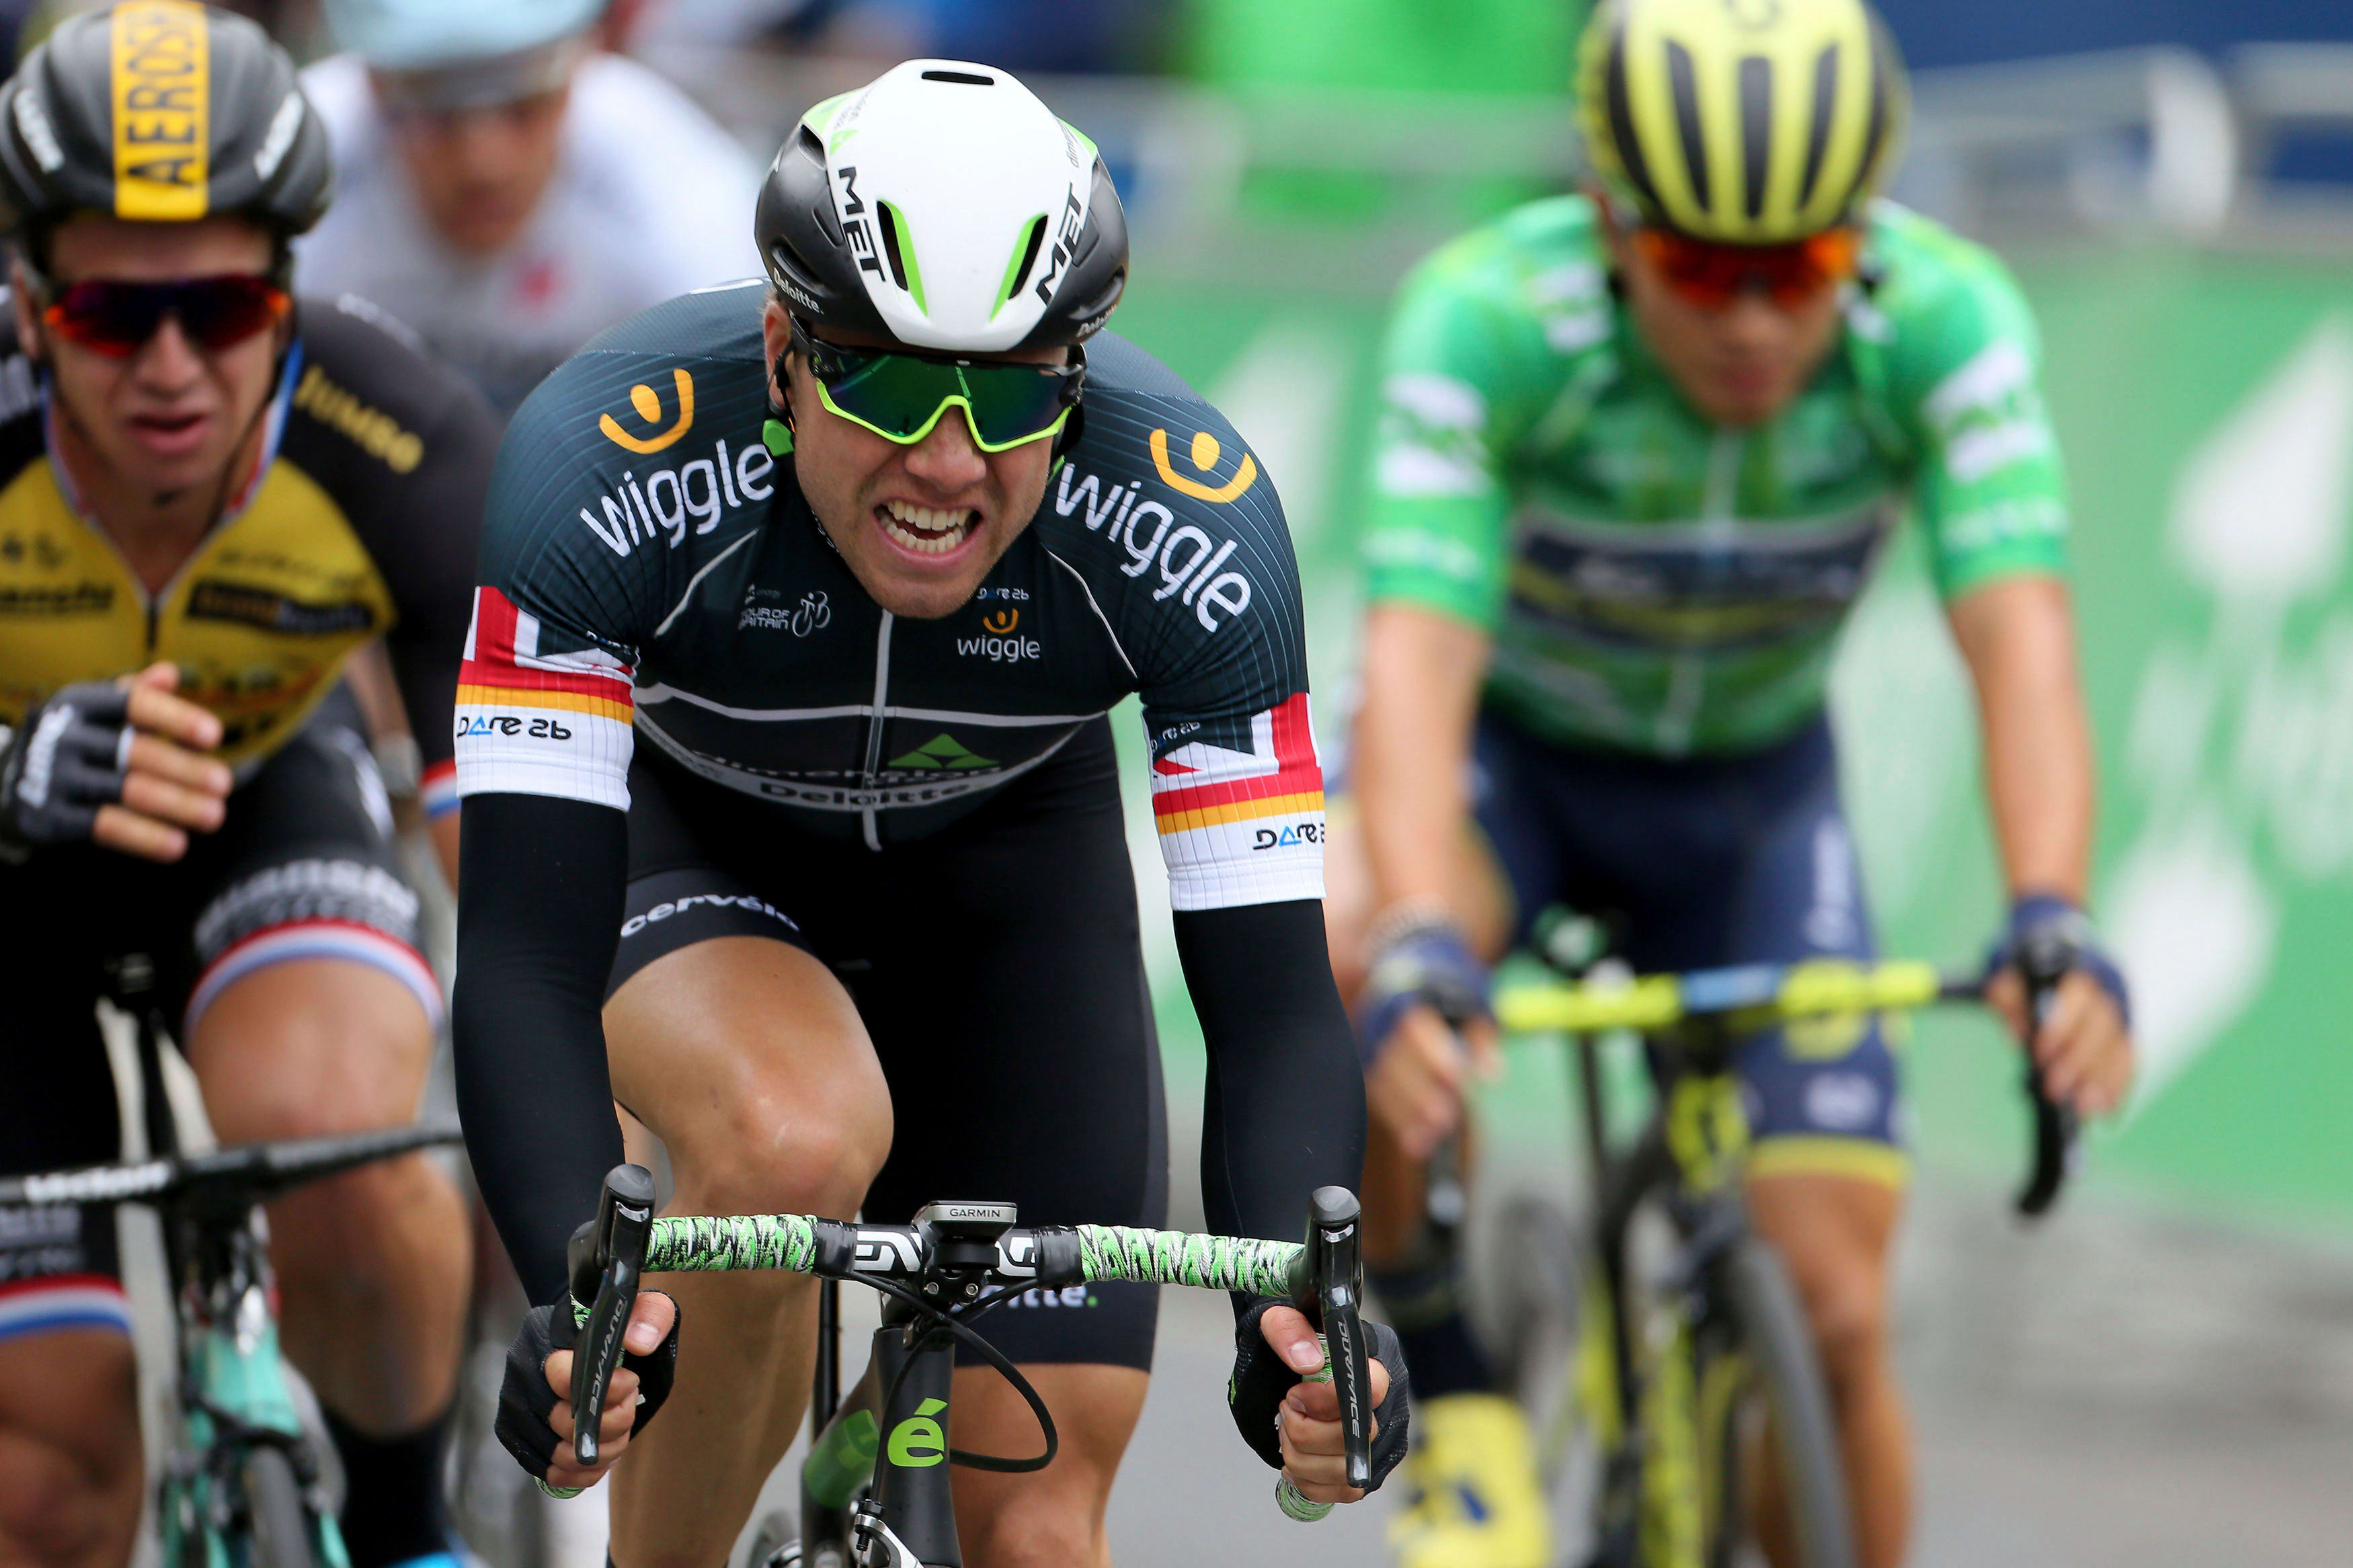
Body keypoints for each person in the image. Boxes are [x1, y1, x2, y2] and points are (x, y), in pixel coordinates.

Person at [451, 59, 1410, 1567]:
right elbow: (521, 957)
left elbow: (1276, 1004)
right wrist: (578, 1298)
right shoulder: (604, 462)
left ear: (1076, 376)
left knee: (1036, 1534)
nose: (948, 461)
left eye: (1012, 390)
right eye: (889, 383)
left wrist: (1300, 1320)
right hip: (697, 836)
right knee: (790, 1131)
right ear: (783, 350)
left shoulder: (1192, 522)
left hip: (1008, 878)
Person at [1326, 1, 2138, 1565]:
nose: (1756, 322)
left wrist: (2052, 913)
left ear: (1864, 237)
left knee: (1832, 1313)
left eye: (1806, 266)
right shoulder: (1487, 317)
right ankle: (1451, 1372)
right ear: (1610, 224)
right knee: (1350, 937)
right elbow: (1416, 662)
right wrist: (1421, 932)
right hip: (1511, 764)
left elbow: (2021, 642)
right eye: (1703, 270)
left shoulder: (1945, 319)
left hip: (1751, 802)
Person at [0, 7, 496, 1568]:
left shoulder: (393, 435)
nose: (168, 366)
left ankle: (409, 1531)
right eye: (107, 313)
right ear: (26, 305)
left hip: (265, 811)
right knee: (41, 1481)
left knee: (338, 1146)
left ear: (286, 292)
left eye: (219, 308)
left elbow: (516, 841)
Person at [295, 0, 763, 415]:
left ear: (583, 63)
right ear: (373, 88)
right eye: (438, 113)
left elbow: (737, 411)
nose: (485, 164)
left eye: (524, 104)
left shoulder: (675, 180)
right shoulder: (298, 156)